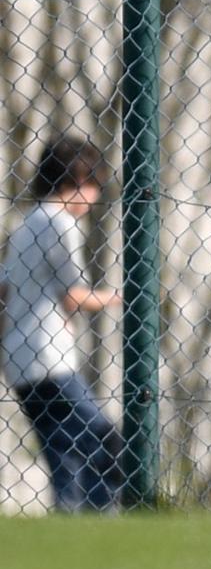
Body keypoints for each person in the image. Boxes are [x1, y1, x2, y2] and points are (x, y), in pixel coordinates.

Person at [1, 136, 124, 512]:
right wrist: (124, 296)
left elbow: (6, 288)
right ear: (81, 181)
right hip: (50, 357)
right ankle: (102, 519)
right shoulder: (60, 223)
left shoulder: (27, 223)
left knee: (63, 451)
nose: (95, 199)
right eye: (95, 187)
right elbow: (74, 295)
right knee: (104, 440)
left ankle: (70, 520)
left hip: (20, 359)